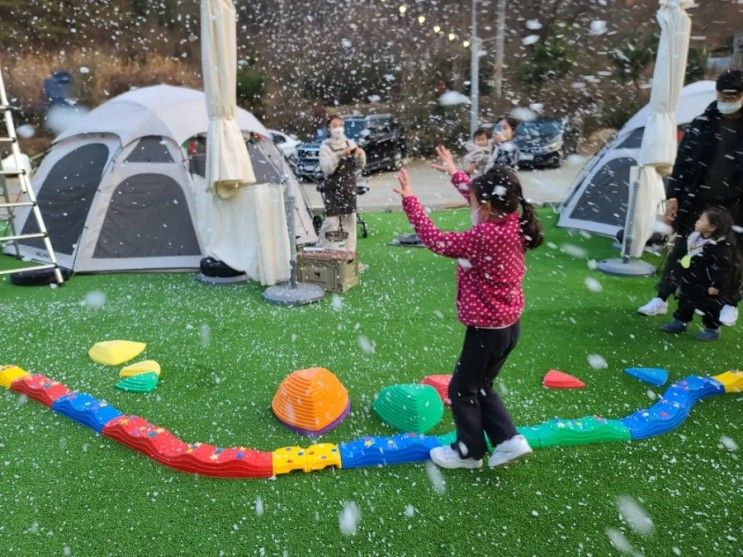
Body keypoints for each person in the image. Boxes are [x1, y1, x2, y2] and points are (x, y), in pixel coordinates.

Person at [393, 164, 543, 470]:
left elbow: (435, 239)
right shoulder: (513, 219)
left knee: (461, 390)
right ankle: (509, 440)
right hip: (509, 328)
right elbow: (484, 198)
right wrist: (456, 174)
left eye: (473, 200)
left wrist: (410, 199)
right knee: (482, 385)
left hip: (486, 331)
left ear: (486, 206)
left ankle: (468, 453)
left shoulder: (483, 237)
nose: (469, 204)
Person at [638, 69, 743, 326]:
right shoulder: (703, 122)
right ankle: (662, 298)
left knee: (733, 257)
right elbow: (682, 162)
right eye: (722, 95)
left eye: (733, 96)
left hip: (736, 205)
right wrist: (673, 195)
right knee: (683, 250)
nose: (726, 101)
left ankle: (729, 303)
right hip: (697, 200)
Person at [661, 207, 735, 341]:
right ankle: (680, 322)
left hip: (708, 284)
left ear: (712, 227)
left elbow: (723, 267)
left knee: (710, 308)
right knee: (685, 301)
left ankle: (712, 329)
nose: (697, 221)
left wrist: (716, 284)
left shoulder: (720, 247)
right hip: (690, 279)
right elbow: (688, 256)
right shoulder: (695, 238)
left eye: (701, 220)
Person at [318, 115, 366, 253]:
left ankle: (349, 256)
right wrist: (338, 155)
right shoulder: (325, 147)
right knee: (331, 223)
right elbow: (326, 169)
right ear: (329, 128)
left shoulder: (350, 143)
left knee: (350, 224)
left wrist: (360, 154)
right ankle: (328, 252)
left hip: (348, 188)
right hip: (332, 189)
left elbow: (359, 166)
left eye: (340, 125)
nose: (338, 128)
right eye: (334, 125)